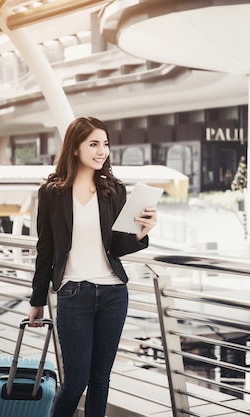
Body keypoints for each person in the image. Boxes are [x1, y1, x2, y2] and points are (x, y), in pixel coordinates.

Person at [27, 116, 158, 417]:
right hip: (74, 293)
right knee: (75, 381)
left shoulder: (114, 190)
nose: (102, 151)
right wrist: (37, 301)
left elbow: (118, 246)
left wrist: (141, 232)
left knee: (100, 380)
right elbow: (45, 249)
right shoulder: (52, 193)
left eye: (106, 144)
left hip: (114, 293)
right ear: (75, 148)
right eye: (94, 144)